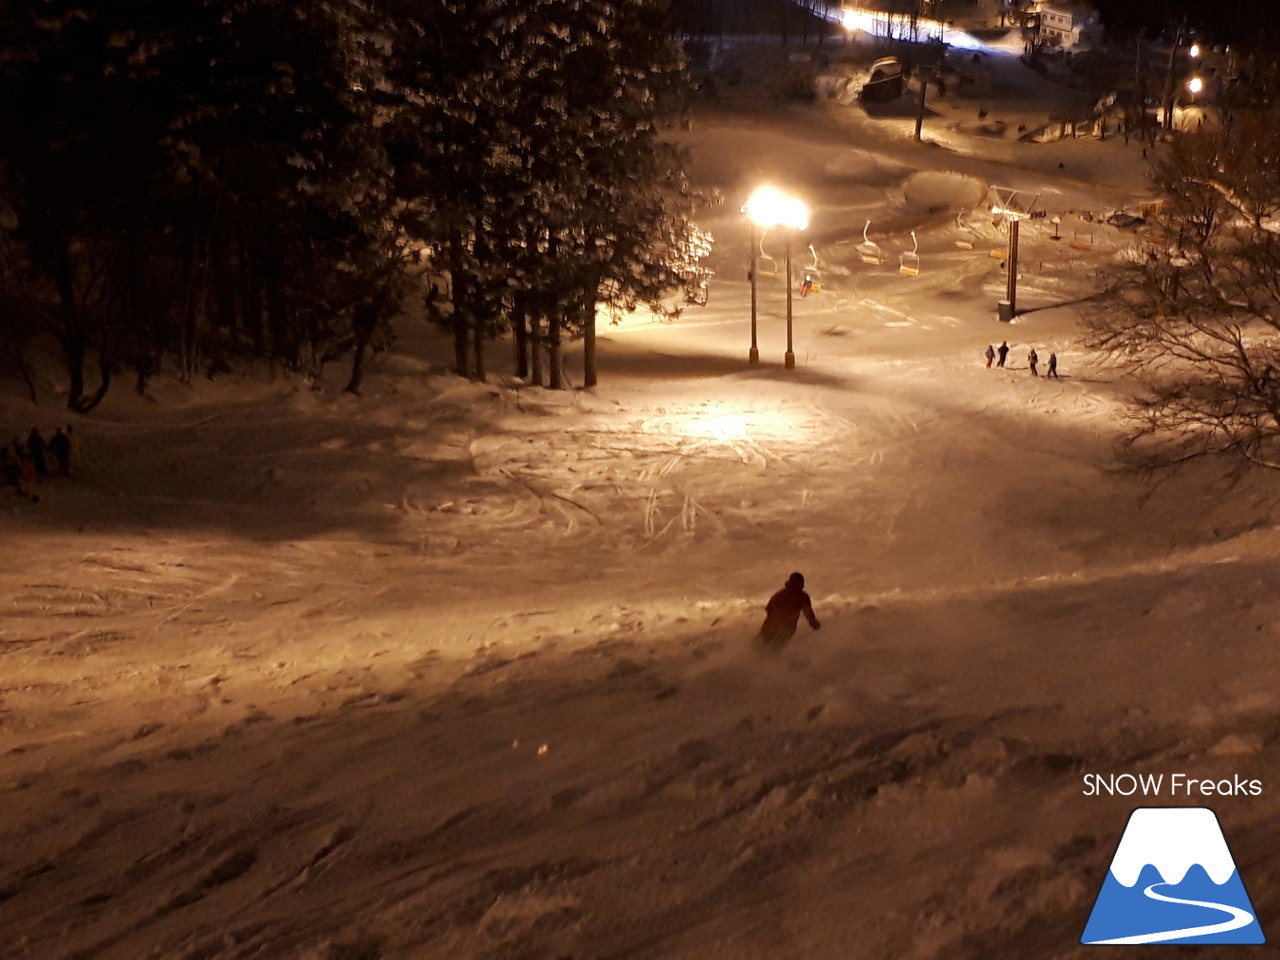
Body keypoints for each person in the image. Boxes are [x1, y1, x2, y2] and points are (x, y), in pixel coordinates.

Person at [759, 572, 821, 647]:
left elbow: (768, 608)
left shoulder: (780, 594)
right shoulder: (802, 597)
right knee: (773, 650)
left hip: (773, 625)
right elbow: (808, 612)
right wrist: (813, 623)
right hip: (785, 628)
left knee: (759, 646)